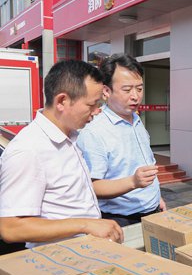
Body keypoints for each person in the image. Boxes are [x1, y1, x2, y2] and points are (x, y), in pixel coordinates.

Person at [0, 61, 123, 247]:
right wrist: (85, 224)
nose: (97, 111)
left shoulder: (69, 136)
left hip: (84, 252)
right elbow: (11, 228)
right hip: (59, 261)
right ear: (61, 101)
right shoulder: (29, 150)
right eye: (91, 104)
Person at [77, 54, 166, 227]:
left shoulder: (137, 121)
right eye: (127, 90)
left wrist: (156, 197)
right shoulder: (94, 133)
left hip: (152, 212)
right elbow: (92, 187)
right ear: (106, 91)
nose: (135, 96)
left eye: (139, 89)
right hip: (121, 220)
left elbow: (146, 166)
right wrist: (133, 182)